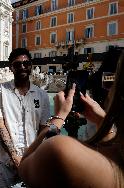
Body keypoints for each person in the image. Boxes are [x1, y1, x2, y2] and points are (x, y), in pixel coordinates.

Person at [18, 50, 124, 187]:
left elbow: (24, 168)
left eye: (109, 81)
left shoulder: (62, 150)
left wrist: (59, 116)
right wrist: (104, 123)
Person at [0, 48, 50, 187]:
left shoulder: (42, 95)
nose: (22, 67)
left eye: (26, 63)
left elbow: (44, 128)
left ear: (31, 66)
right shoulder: (0, 90)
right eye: (17, 64)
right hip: (4, 160)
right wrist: (15, 157)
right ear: (11, 67)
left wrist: (31, 156)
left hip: (32, 158)